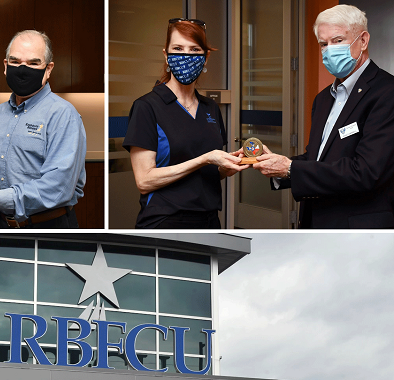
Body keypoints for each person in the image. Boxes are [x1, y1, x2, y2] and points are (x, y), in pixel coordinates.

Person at [253, 4, 394, 229]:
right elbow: (318, 158)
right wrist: (277, 164)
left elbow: (366, 171)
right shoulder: (323, 99)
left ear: (363, 40)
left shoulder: (387, 93)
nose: (329, 50)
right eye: (323, 44)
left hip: (360, 230)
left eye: (338, 40)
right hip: (315, 224)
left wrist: (290, 168)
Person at [122, 18, 249, 229]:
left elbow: (205, 174)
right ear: (166, 55)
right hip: (165, 220)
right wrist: (206, 159)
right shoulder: (147, 106)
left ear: (205, 57)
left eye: (194, 49)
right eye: (178, 48)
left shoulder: (211, 108)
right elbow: (144, 181)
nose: (186, 56)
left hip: (209, 220)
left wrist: (225, 169)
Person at [0, 29, 86, 229]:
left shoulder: (63, 115)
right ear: (6, 66)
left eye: (33, 63)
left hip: (51, 228)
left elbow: (58, 187)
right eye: (15, 62)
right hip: (4, 227)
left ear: (48, 69)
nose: (23, 70)